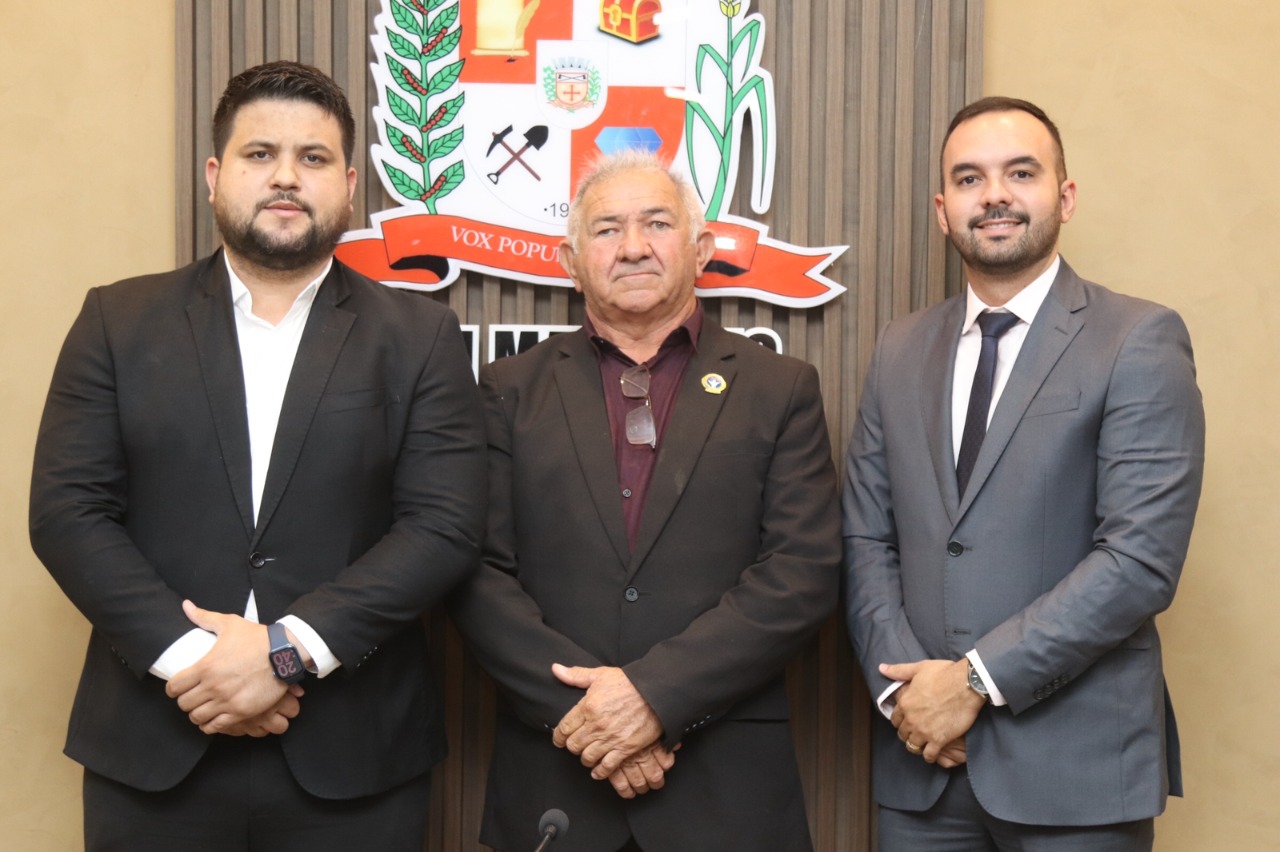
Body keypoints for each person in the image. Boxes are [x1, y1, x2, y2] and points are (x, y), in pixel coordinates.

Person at [29, 61, 485, 851]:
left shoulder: (420, 338)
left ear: (348, 186)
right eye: (259, 154)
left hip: (355, 758)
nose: (285, 177)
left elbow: (442, 527)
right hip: (154, 746)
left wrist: (284, 652)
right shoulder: (116, 321)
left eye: (313, 158)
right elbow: (68, 514)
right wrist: (195, 663)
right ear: (215, 176)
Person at [449, 150, 840, 852]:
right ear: (571, 260)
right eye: (607, 230)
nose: (632, 247)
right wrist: (592, 719)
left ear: (702, 248)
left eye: (657, 223)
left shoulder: (780, 388)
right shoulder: (509, 390)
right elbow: (477, 573)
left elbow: (801, 573)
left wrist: (655, 698)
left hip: (725, 793)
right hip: (557, 786)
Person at [842, 96, 1205, 850]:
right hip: (921, 766)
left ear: (1064, 197)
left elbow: (1139, 560)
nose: (995, 195)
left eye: (1021, 173)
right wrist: (906, 696)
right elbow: (866, 540)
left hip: (1075, 770)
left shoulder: (1137, 338)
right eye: (969, 179)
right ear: (943, 211)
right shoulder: (898, 348)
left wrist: (973, 681)